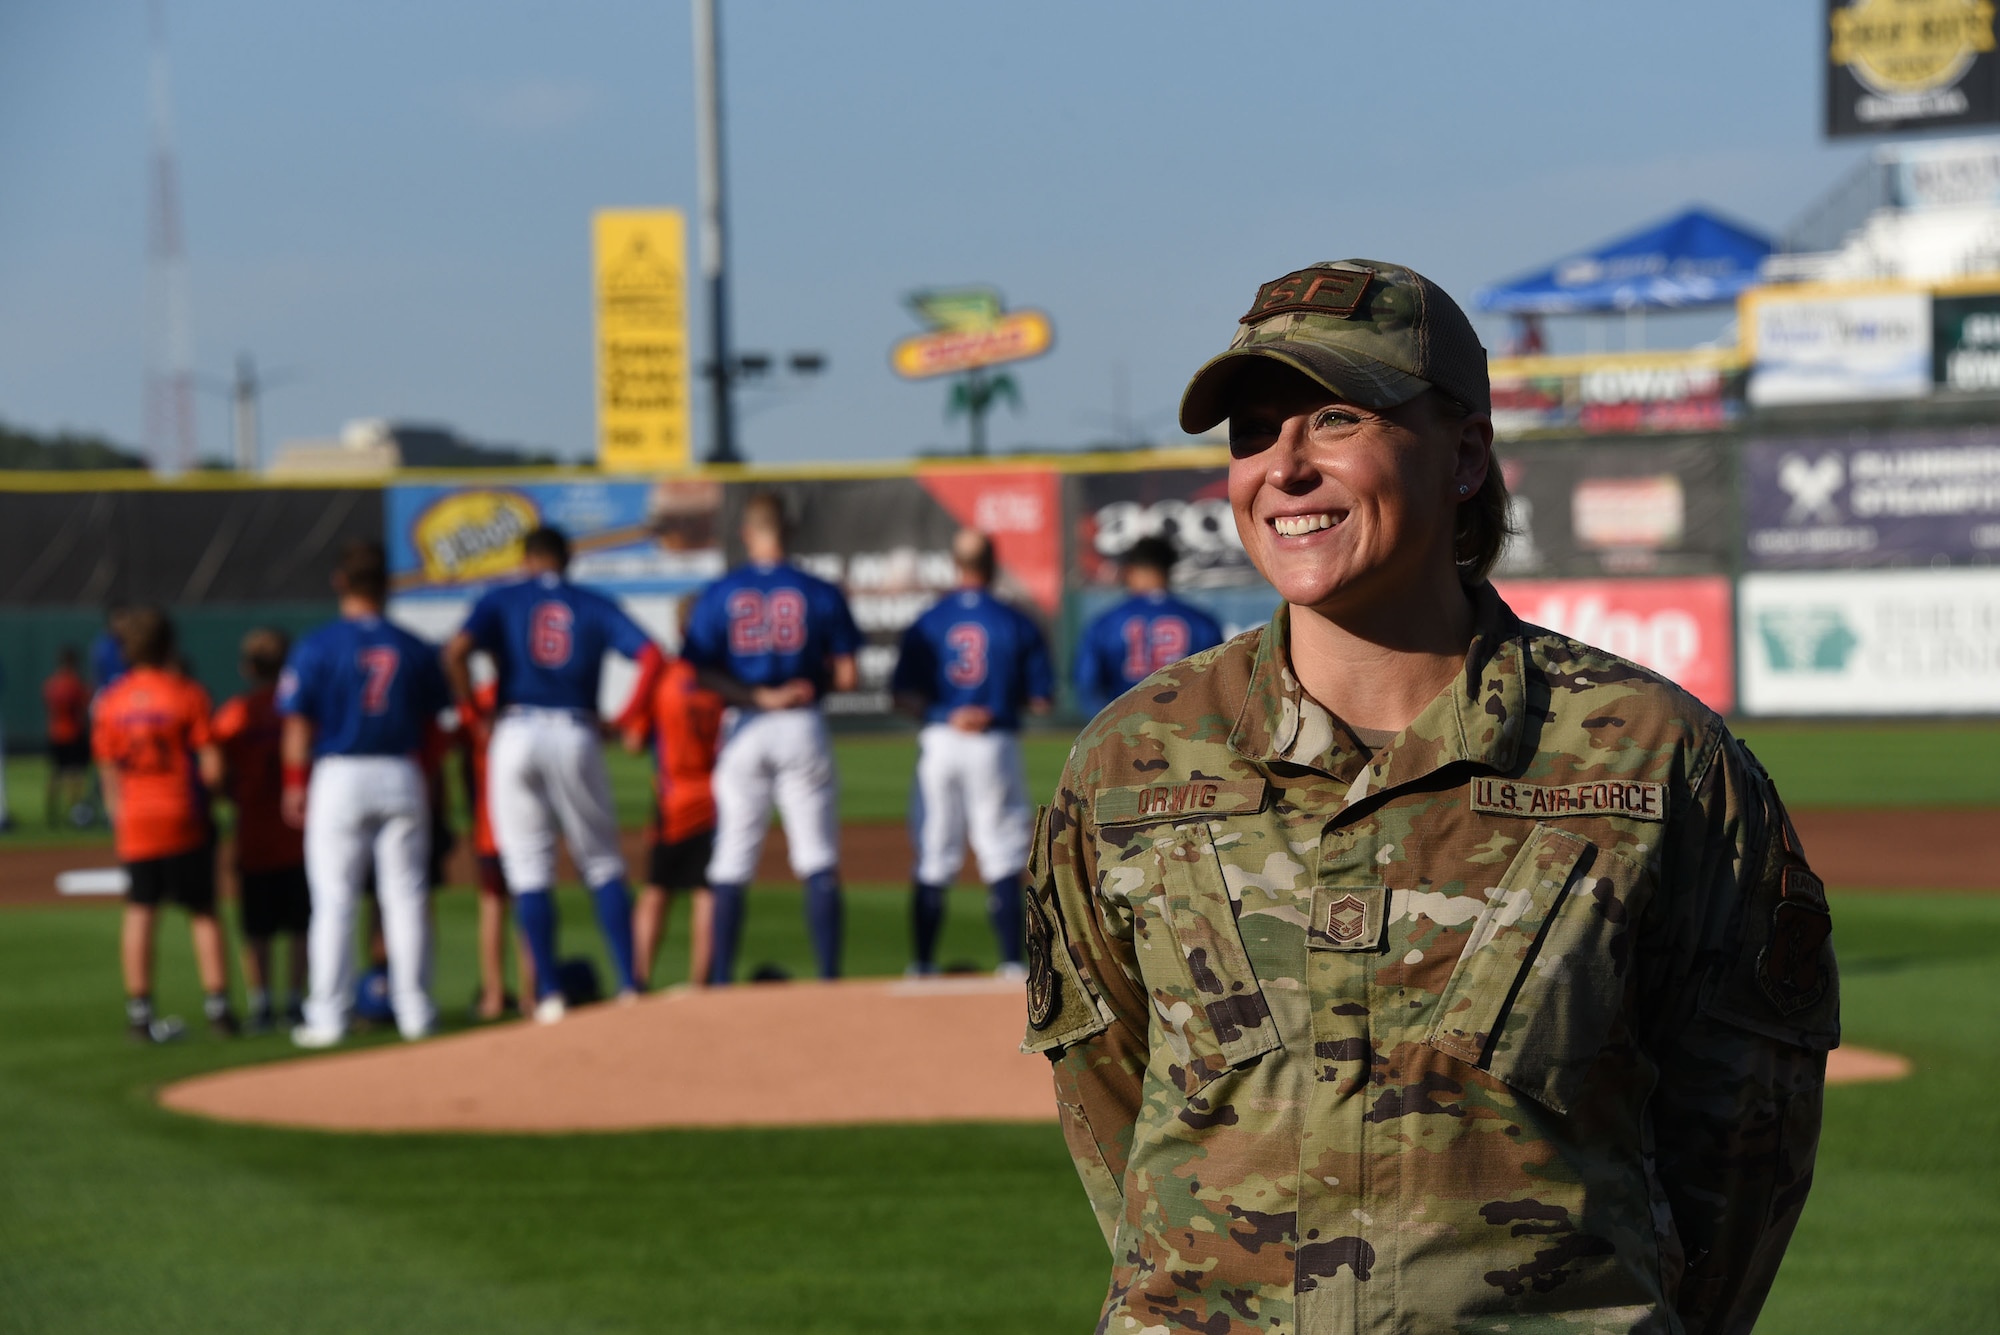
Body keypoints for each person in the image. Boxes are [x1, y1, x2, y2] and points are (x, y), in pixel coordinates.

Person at [1023, 259, 1837, 1333]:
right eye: (1253, 431)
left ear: (1463, 456)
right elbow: (1110, 1100)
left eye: (1335, 418)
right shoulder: (1131, 762)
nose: (1284, 467)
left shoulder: (1650, 759)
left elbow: (1743, 1139)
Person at [442, 524, 658, 1022]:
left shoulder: (504, 598)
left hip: (515, 731)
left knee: (527, 870)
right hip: (575, 728)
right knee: (601, 863)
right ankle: (629, 984)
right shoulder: (592, 602)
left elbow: (454, 652)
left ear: (526, 559)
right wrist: (625, 718)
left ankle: (551, 997)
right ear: (567, 560)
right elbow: (652, 656)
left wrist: (474, 716)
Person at [681, 492, 862, 984]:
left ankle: (719, 979)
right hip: (802, 724)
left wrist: (758, 697)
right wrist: (804, 688)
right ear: (791, 531)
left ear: (747, 532)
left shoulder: (721, 591)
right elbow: (847, 676)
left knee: (732, 857)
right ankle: (827, 976)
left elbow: (697, 670)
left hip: (745, 725)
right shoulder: (819, 590)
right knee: (817, 856)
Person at [280, 540, 450, 1047]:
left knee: (334, 900)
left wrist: (293, 785)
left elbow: (297, 724)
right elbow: (437, 729)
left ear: (340, 583)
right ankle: (416, 1010)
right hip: (402, 770)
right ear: (387, 584)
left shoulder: (317, 645)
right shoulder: (415, 645)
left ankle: (328, 1017)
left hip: (340, 774)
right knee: (406, 897)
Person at [890, 529, 1053, 977]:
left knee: (933, 853)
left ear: (954, 564)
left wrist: (948, 711)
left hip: (941, 741)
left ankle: (922, 964)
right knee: (1001, 852)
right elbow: (1042, 700)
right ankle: (1010, 965)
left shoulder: (929, 620)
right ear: (992, 564)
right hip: (993, 743)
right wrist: (997, 703)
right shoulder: (1015, 620)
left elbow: (901, 695)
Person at [91, 607, 236, 1041]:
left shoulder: (111, 701)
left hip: (137, 819)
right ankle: (220, 1009)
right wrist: (208, 801)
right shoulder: (187, 694)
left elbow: (109, 771)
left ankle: (139, 1012)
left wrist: (121, 816)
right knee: (203, 911)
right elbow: (211, 766)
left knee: (140, 911)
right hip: (183, 816)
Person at [615, 600, 726, 989]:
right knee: (707, 891)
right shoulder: (727, 682)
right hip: (718, 798)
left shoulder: (665, 678)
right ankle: (701, 983)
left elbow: (632, 742)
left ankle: (636, 979)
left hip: (672, 798)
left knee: (656, 890)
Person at [211, 628, 310, 1034]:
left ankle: (263, 1004)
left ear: (248, 666)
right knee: (301, 925)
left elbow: (215, 771)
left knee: (258, 928)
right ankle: (295, 1002)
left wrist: (233, 793)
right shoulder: (297, 708)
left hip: (253, 834)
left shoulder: (236, 713)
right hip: (297, 834)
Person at [1071, 535, 1223, 717]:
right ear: (1168, 569)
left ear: (1131, 570)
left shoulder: (1107, 622)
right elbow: (1218, 682)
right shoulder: (1201, 621)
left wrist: (1104, 723)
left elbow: (1087, 681)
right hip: (1182, 727)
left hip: (1125, 725)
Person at [458, 678, 536, 1018]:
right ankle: (533, 994)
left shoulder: (477, 699)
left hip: (490, 823)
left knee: (493, 905)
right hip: (526, 821)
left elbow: (462, 762)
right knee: (528, 902)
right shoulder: (530, 694)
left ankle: (493, 996)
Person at [43, 646, 93, 828]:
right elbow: (83, 709)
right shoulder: (76, 684)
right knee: (76, 773)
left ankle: (51, 813)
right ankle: (77, 813)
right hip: (73, 733)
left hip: (55, 733)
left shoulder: (51, 684)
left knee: (56, 773)